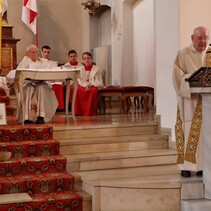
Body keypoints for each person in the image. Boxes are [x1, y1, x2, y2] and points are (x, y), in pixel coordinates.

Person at [172, 26, 210, 177]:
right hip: (189, 101)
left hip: (207, 101)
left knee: (205, 135)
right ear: (192, 38)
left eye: (206, 37)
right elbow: (177, 77)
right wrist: (191, 81)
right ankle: (185, 167)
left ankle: (202, 167)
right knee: (187, 131)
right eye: (200, 38)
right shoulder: (182, 54)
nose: (203, 41)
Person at [8, 44, 58, 124]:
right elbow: (18, 75)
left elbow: (51, 70)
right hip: (28, 84)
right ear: (27, 54)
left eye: (36, 52)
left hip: (41, 83)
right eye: (33, 52)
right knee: (29, 88)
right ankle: (26, 117)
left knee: (41, 87)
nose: (36, 54)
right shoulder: (24, 62)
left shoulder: (43, 61)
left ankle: (41, 116)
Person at [74, 51, 103, 116]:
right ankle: (80, 112)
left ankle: (91, 111)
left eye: (88, 58)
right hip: (84, 85)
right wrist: (86, 85)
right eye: (85, 58)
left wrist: (91, 85)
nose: (86, 60)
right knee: (78, 90)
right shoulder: (80, 69)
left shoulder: (96, 69)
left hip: (93, 85)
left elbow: (98, 80)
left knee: (93, 91)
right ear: (83, 60)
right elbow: (80, 80)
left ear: (91, 59)